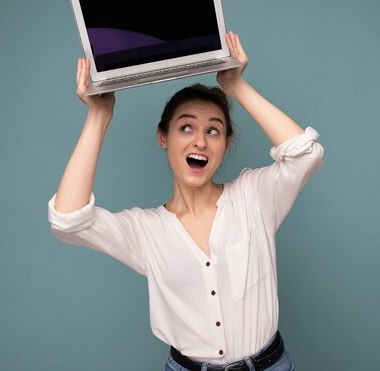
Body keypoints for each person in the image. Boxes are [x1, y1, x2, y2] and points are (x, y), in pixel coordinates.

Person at [48, 31, 324, 371]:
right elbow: (67, 220)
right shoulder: (145, 231)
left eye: (213, 130)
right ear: (163, 138)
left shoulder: (255, 196)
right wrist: (99, 116)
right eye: (186, 128)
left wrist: (235, 85)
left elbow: (305, 155)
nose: (201, 141)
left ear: (225, 144)